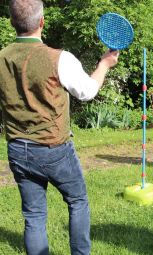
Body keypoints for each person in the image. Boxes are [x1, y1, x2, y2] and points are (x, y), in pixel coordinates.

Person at [0, 0, 119, 254]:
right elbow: (87, 91)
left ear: (12, 22)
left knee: (33, 215)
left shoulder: (1, 57)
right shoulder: (59, 58)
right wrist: (104, 65)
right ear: (42, 22)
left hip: (17, 148)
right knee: (77, 201)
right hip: (53, 148)